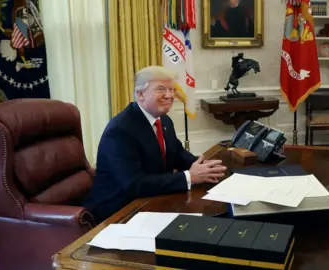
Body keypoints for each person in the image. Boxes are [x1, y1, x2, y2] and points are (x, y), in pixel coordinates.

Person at [83, 66, 227, 223]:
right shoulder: (121, 129)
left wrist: (207, 168)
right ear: (140, 94)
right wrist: (189, 177)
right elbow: (134, 184)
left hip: (152, 200)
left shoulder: (164, 120)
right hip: (118, 211)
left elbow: (178, 154)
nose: (169, 95)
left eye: (172, 90)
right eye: (161, 89)